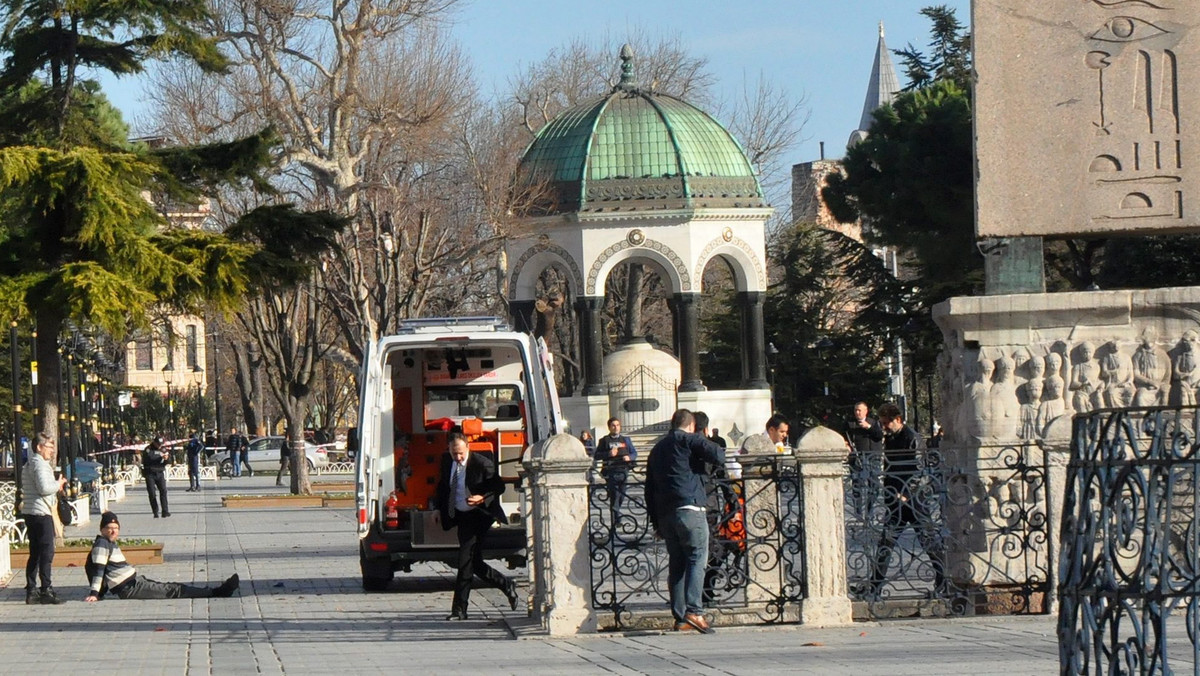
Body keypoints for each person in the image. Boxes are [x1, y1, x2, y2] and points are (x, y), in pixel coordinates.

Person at [644, 409, 725, 634]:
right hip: (690, 508)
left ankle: (680, 618)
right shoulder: (689, 439)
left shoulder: (657, 448)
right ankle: (695, 611)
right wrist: (702, 437)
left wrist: (656, 522)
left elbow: (648, 488)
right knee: (697, 558)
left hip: (666, 514)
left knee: (677, 563)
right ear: (690, 426)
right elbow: (719, 455)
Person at [434, 432, 518, 620]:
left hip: (479, 515)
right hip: (461, 515)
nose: (458, 457)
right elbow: (443, 487)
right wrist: (437, 509)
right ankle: (506, 584)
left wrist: (483, 497)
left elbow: (498, 487)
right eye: (454, 453)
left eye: (461, 453)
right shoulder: (447, 461)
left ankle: (459, 610)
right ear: (448, 449)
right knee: (474, 563)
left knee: (465, 561)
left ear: (468, 448)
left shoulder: (481, 463)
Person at [867, 402, 946, 599]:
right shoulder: (892, 437)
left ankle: (944, 581)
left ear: (898, 420)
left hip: (914, 500)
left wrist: (907, 494)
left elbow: (918, 469)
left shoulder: (912, 438)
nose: (884, 427)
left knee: (928, 541)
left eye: (886, 423)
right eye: (882, 423)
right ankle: (874, 587)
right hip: (896, 499)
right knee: (887, 541)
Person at [85, 512, 239, 600]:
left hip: (135, 582)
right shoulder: (102, 545)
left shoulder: (106, 543)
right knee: (172, 590)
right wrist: (94, 593)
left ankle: (212, 591)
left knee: (170, 587)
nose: (114, 531)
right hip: (129, 589)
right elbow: (98, 570)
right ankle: (217, 592)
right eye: (110, 528)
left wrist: (100, 593)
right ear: (102, 529)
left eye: (116, 528)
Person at [21, 432, 67, 604]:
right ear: (39, 447)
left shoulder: (30, 464)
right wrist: (59, 484)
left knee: (36, 552)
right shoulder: (39, 465)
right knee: (46, 552)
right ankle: (45, 589)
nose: (52, 451)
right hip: (41, 512)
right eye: (49, 446)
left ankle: (32, 590)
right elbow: (44, 488)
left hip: (31, 511)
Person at [595, 417, 637, 519]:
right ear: (609, 427)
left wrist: (629, 457)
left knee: (622, 495)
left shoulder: (626, 440)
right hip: (611, 471)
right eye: (613, 425)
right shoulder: (604, 440)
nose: (616, 427)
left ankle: (616, 513)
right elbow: (596, 455)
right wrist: (608, 453)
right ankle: (615, 519)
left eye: (618, 425)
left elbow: (634, 452)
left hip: (623, 469)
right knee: (614, 495)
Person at [141, 437, 170, 518]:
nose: (159, 446)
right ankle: (155, 511)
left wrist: (166, 459)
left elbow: (167, 461)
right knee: (152, 493)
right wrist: (160, 456)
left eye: (160, 444)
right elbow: (149, 458)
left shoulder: (163, 449)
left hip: (160, 472)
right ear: (154, 442)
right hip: (150, 473)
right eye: (157, 444)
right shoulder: (148, 449)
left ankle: (165, 511)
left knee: (163, 491)